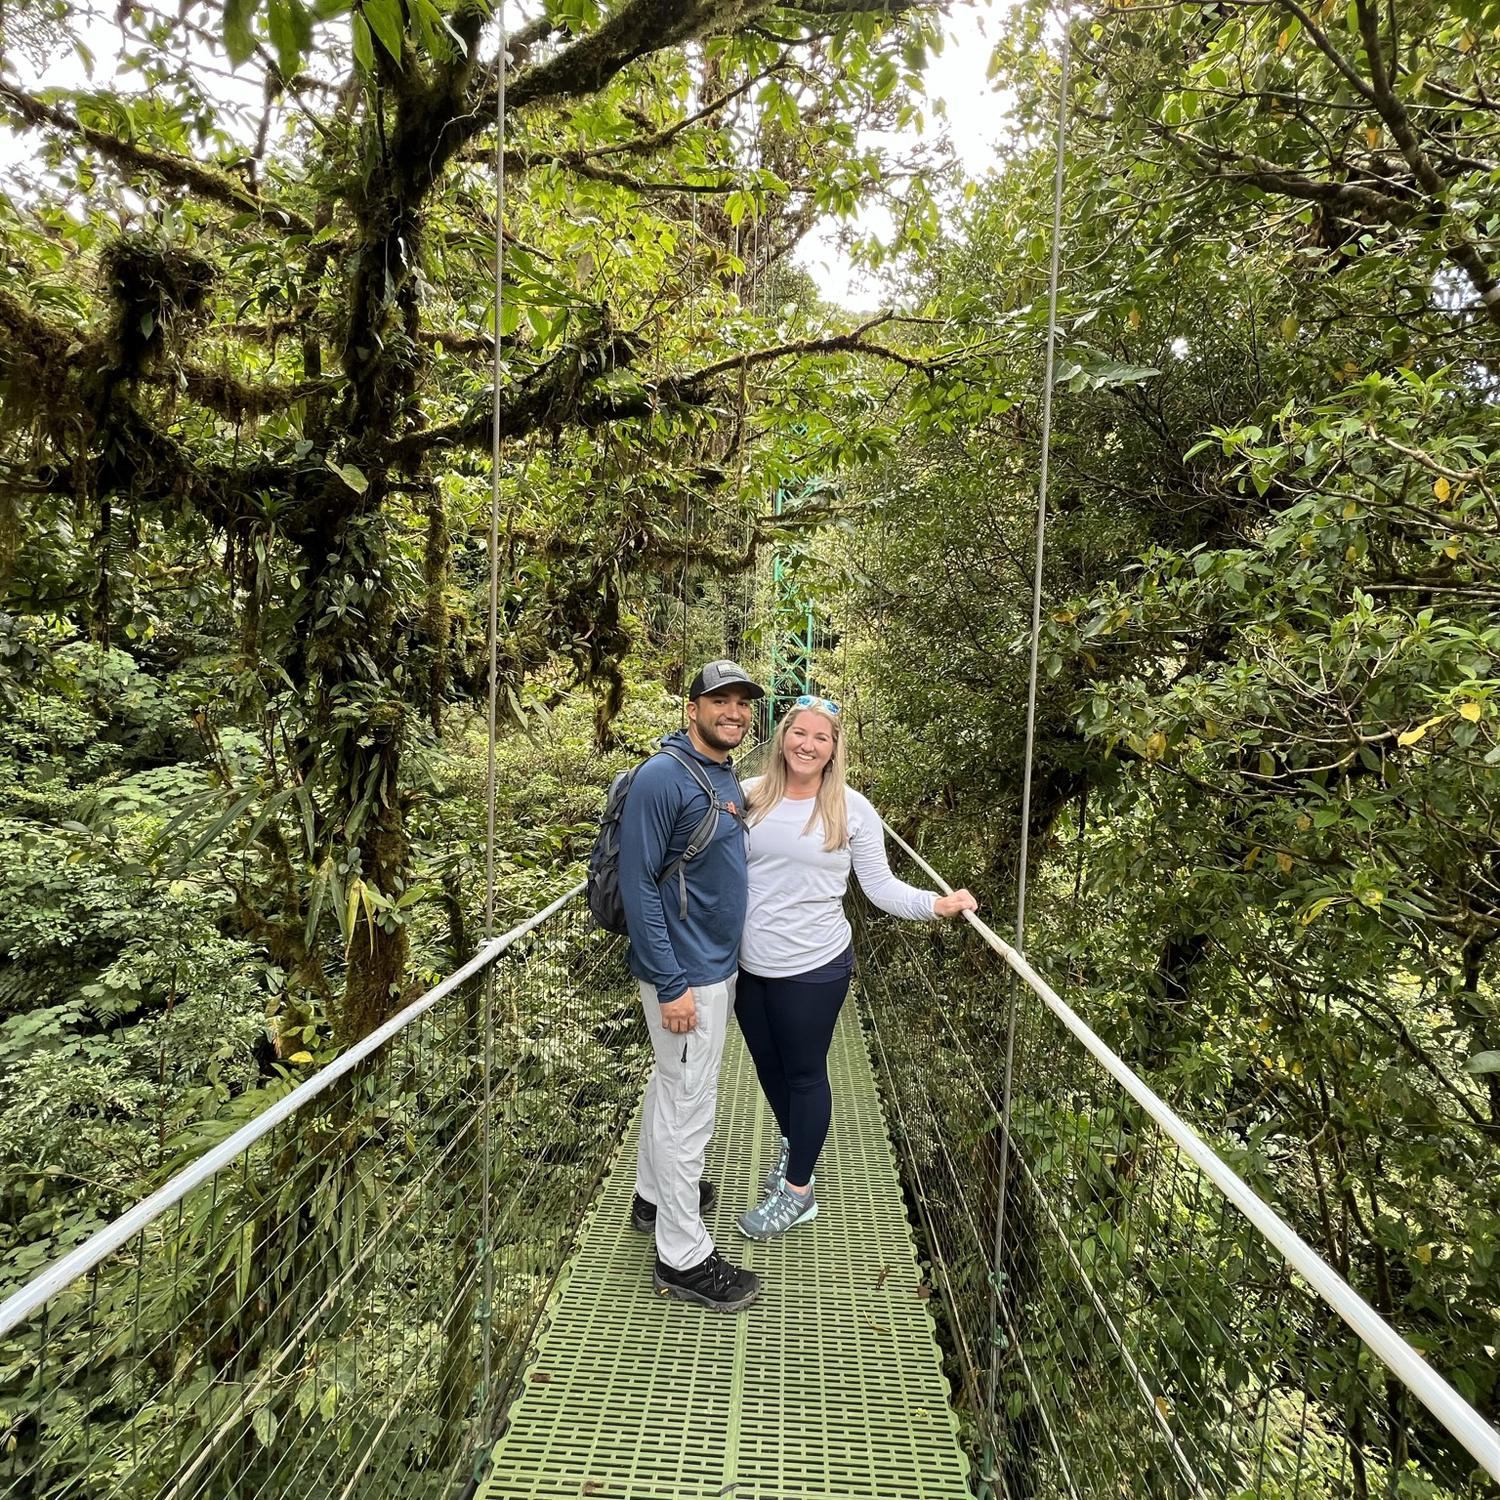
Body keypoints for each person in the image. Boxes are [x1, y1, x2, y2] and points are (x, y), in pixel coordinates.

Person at [735, 694, 977, 1240]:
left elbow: (880, 886)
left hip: (815, 966)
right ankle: (798, 1147)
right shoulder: (748, 796)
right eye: (800, 733)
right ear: (782, 737)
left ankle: (798, 1192)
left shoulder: (850, 808)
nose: (808, 744)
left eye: (822, 737)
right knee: (768, 1070)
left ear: (833, 749)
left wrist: (935, 905)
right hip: (750, 964)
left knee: (803, 1073)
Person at [619, 659, 765, 1311]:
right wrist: (672, 982)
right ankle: (683, 1257)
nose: (733, 712)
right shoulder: (662, 777)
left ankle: (653, 1197)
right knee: (690, 1110)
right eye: (719, 701)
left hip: (711, 968)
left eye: (742, 703)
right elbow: (638, 885)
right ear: (692, 709)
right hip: (687, 976)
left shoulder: (720, 772)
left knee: (671, 1086)